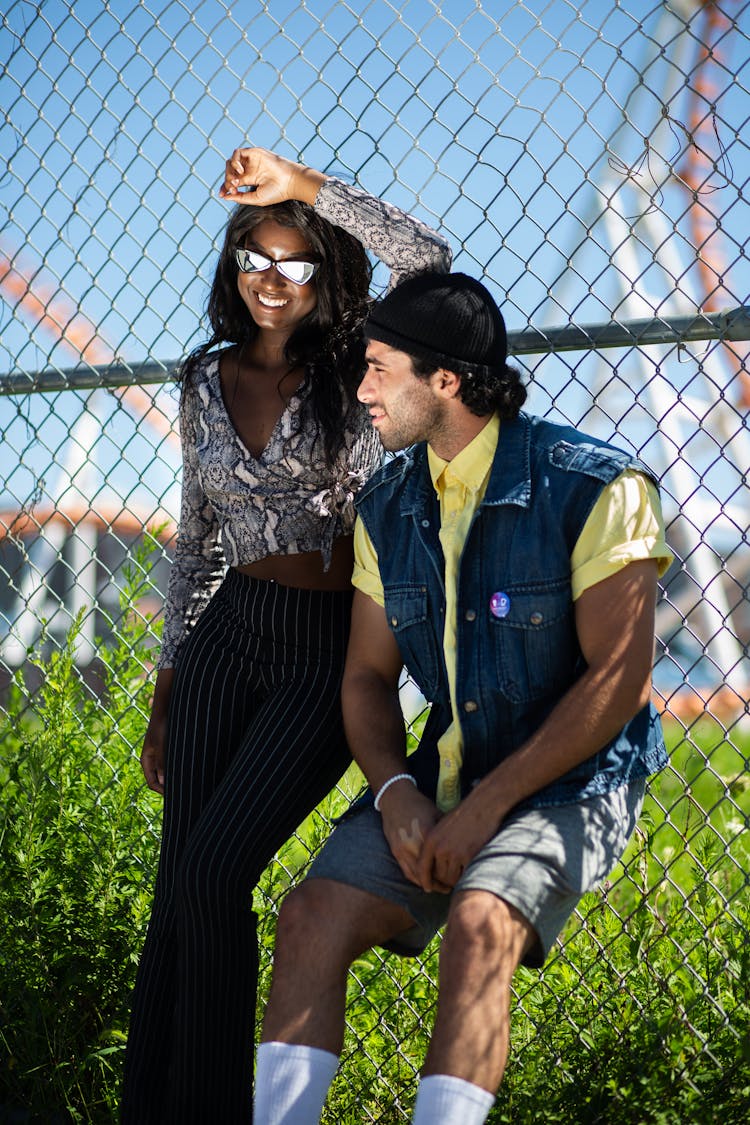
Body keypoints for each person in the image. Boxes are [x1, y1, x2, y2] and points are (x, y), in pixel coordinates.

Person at [251, 271, 674, 1125]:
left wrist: (487, 808)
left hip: (572, 781)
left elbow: (620, 680)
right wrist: (396, 791)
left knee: (482, 918)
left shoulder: (596, 486)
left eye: (377, 369)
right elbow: (367, 676)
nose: (360, 390)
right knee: (308, 916)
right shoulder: (387, 504)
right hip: (440, 780)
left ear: (445, 380)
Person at [120, 148, 451, 1125]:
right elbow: (197, 540)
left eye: (297, 263)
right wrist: (167, 686)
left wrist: (300, 187)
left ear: (327, 278)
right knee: (180, 888)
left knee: (220, 872)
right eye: (256, 261)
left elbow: (427, 258)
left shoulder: (357, 367)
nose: (273, 279)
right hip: (227, 635)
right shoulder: (203, 380)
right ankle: (155, 1106)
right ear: (234, 271)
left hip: (326, 646)